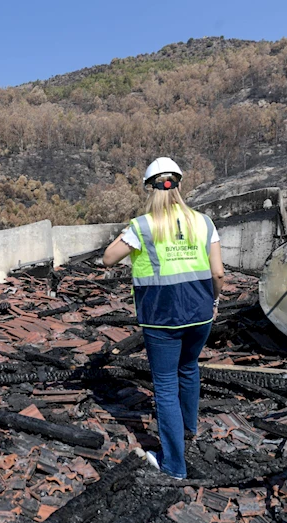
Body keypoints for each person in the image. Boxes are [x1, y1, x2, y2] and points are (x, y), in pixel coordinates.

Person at [103, 157, 225, 479]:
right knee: (189, 367)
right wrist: (213, 300)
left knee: (166, 386)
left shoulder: (142, 226)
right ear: (179, 185)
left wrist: (125, 234)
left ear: (150, 189)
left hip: (161, 318)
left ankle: (174, 465)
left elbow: (107, 259)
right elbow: (218, 272)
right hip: (200, 314)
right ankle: (189, 428)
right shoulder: (204, 222)